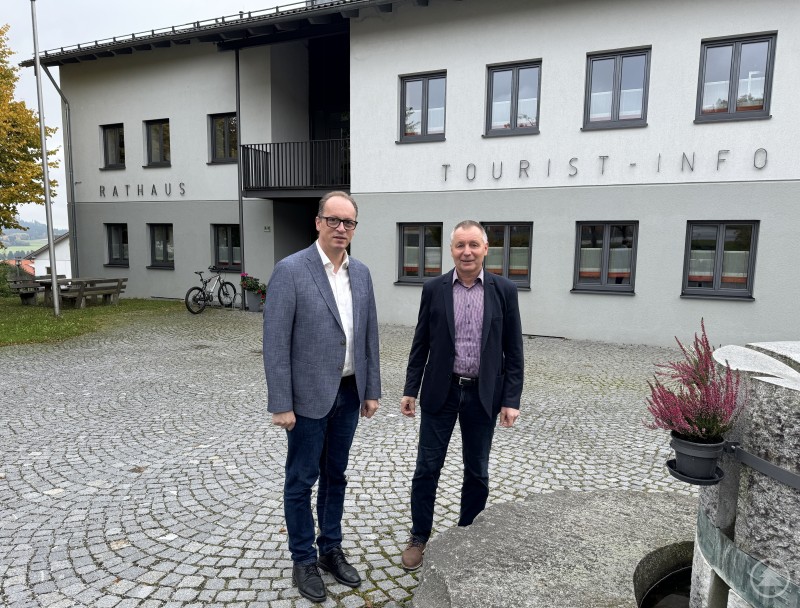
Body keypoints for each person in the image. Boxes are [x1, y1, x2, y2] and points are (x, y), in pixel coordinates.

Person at [263, 191, 381, 603]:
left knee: (336, 475)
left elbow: (368, 334)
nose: (340, 228)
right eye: (333, 220)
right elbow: (275, 342)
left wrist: (371, 389)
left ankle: (330, 548)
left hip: (348, 392)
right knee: (301, 479)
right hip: (308, 397)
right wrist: (281, 403)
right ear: (318, 222)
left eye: (348, 222)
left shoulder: (361, 273)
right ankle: (303, 559)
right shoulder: (291, 270)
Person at [399, 219, 524, 571]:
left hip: (483, 394)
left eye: (473, 245)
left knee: (477, 470)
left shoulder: (504, 290)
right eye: (459, 245)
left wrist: (511, 399)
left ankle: (469, 533)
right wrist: (410, 389)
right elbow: (421, 343)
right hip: (441, 391)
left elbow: (514, 350)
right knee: (427, 467)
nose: (466, 252)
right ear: (451, 249)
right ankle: (419, 536)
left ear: (485, 249)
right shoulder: (434, 289)